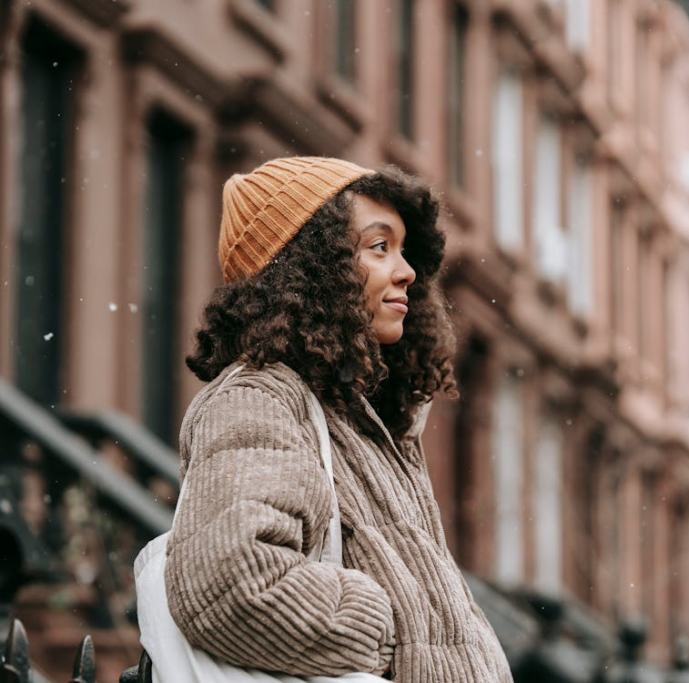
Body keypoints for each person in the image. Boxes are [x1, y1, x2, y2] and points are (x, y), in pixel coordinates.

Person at [164, 157, 513, 682]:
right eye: (379, 247)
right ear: (313, 269)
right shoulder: (261, 400)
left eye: (403, 250)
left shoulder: (368, 422)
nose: (407, 272)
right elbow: (233, 584)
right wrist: (393, 636)